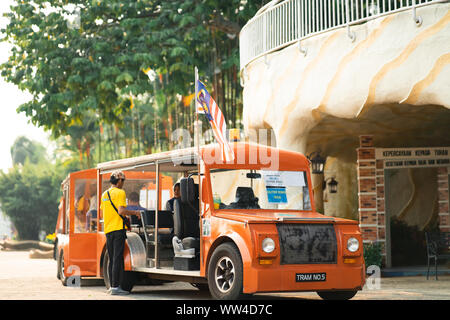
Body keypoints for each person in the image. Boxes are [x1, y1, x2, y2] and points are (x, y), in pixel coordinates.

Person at [100, 170, 140, 295]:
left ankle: (112, 286)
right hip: (118, 229)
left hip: (108, 229)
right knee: (118, 258)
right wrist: (135, 213)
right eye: (123, 180)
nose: (123, 183)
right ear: (119, 181)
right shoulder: (120, 192)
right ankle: (116, 287)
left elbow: (103, 213)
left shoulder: (104, 194)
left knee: (112, 258)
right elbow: (121, 211)